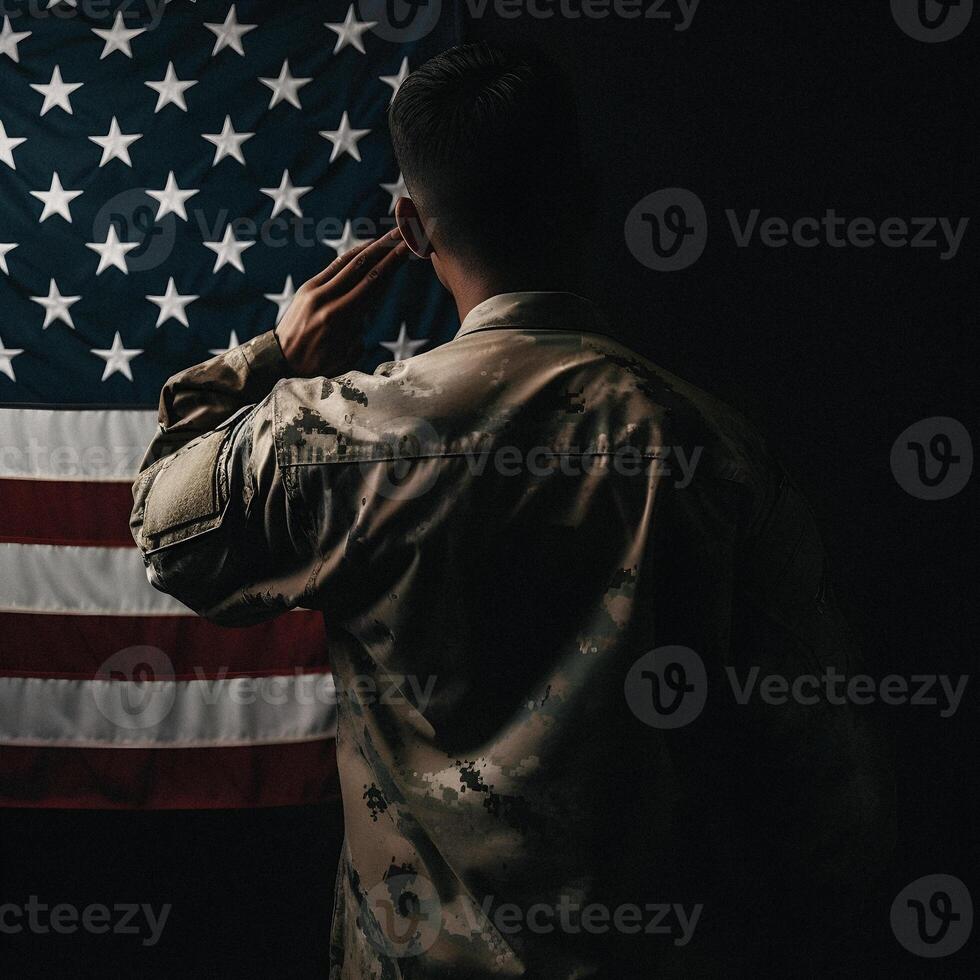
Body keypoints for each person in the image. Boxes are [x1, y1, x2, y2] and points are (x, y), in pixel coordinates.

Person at [131, 42, 892, 978]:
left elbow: (165, 526)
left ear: (409, 226)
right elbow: (827, 793)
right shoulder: (718, 452)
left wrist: (274, 359)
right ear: (584, 198)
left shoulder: (333, 439)